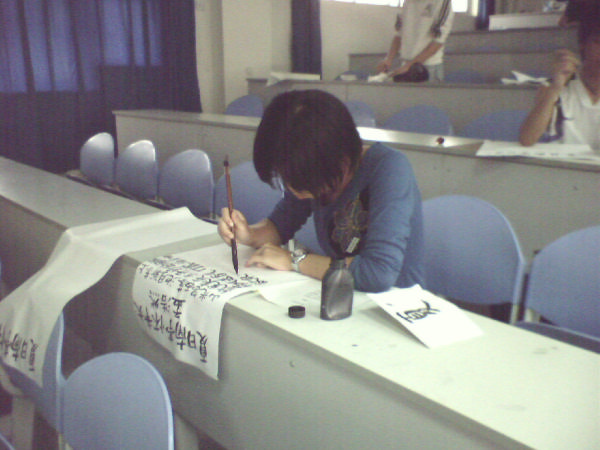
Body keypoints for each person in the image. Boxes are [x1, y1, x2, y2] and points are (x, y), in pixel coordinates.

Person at [217, 90, 424, 293]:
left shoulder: (389, 169)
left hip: (394, 302)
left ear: (339, 161)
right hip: (342, 293)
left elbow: (378, 274)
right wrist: (249, 234)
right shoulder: (313, 169)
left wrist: (294, 260)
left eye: (296, 182)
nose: (292, 189)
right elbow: (279, 226)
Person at [519, 13, 600, 150]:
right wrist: (555, 89)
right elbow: (527, 139)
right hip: (561, 162)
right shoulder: (556, 85)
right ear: (583, 45)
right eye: (598, 42)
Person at [375, 0, 454, 83]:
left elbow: (438, 41)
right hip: (406, 64)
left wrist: (409, 66)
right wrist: (388, 59)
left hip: (428, 67)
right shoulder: (407, 3)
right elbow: (399, 33)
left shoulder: (442, 3)